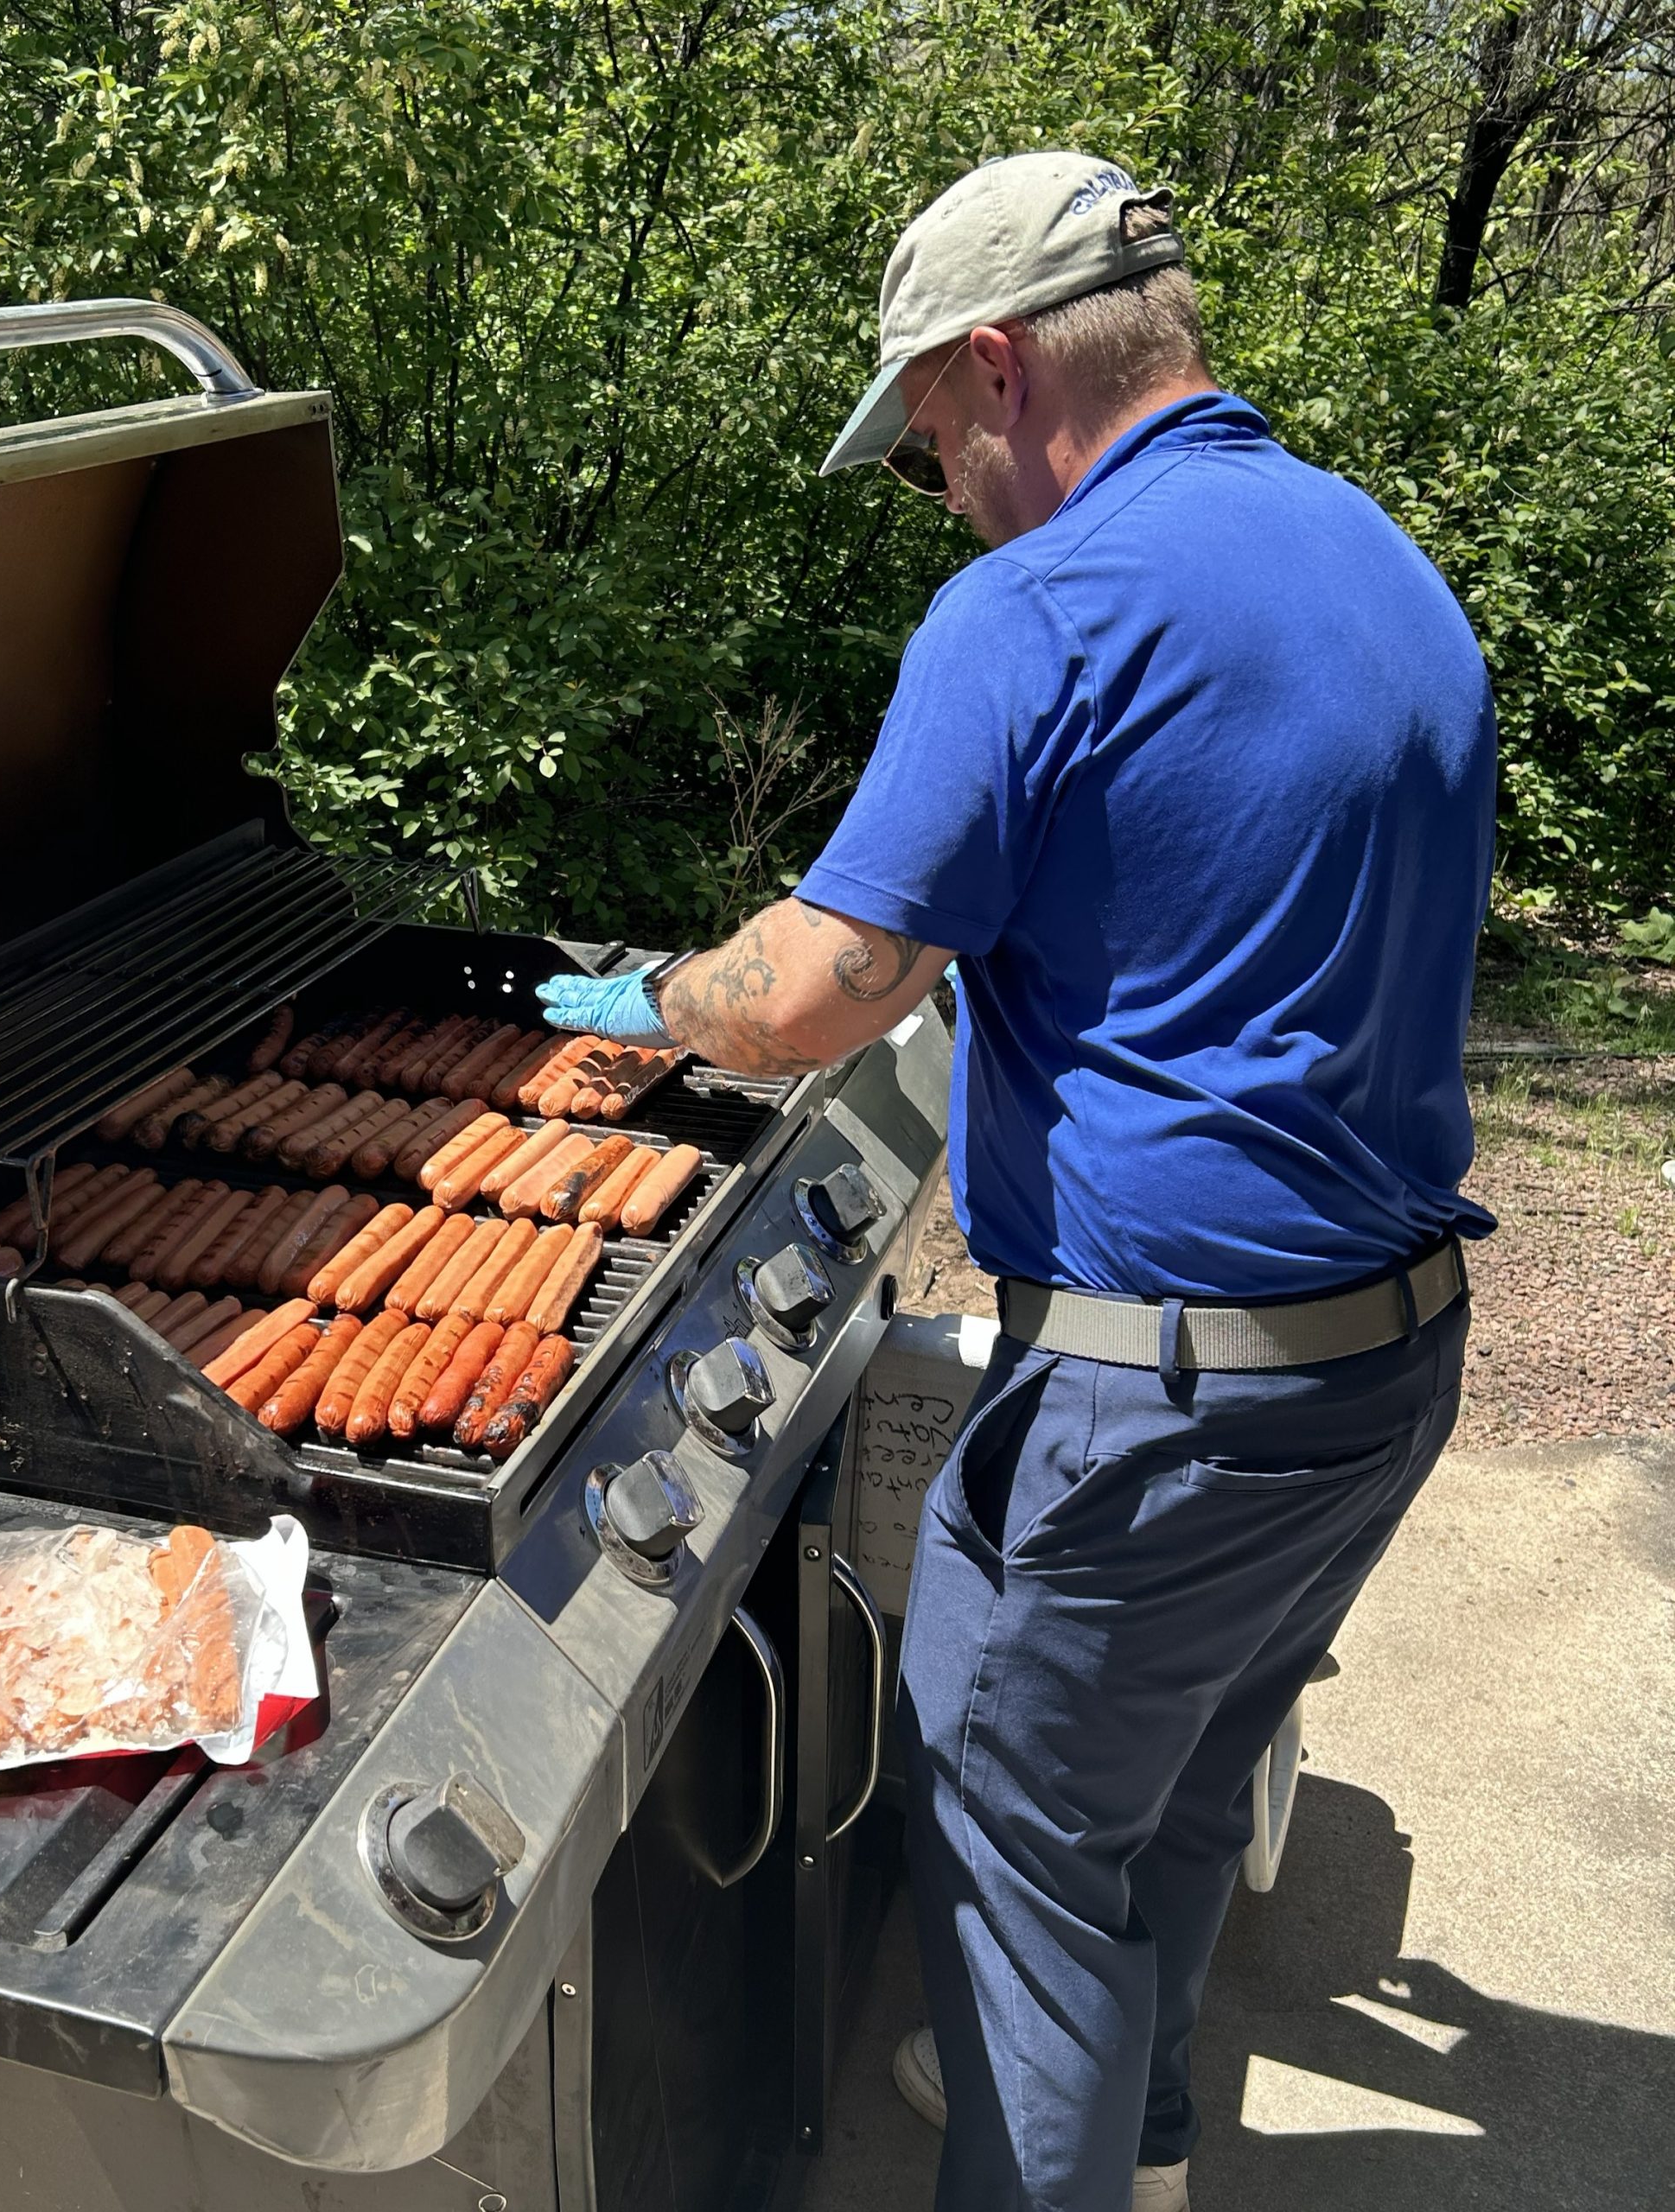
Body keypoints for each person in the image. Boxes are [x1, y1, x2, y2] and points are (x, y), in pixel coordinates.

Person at [537, 150, 1495, 2212]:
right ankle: (1133, 2135)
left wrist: (655, 994)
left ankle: (1054, 2133)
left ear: (995, 366)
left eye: (922, 449)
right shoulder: (1372, 557)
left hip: (1160, 1417)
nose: (940, 494)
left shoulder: (1037, 606)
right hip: (1379, 1367)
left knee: (1010, 1848)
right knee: (1168, 1785)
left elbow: (816, 988)